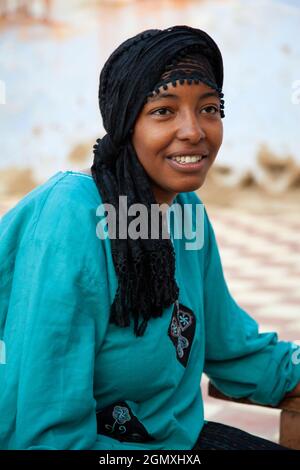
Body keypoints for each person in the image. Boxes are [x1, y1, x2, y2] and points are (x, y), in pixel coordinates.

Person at [0, 25, 299, 451]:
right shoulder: (70, 215)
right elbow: (49, 429)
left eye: (210, 109)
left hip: (175, 441)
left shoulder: (185, 211)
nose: (194, 131)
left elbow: (233, 348)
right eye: (163, 111)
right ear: (126, 122)